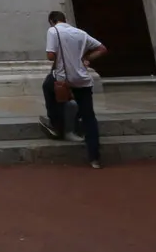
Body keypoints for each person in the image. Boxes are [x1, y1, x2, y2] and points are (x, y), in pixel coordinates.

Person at [39, 11, 107, 169]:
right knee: (89, 116)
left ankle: (56, 126)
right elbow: (102, 48)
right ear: (65, 19)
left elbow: (50, 56)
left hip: (63, 78)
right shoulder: (80, 33)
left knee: (48, 87)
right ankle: (94, 158)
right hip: (82, 78)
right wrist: (87, 59)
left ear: (52, 21)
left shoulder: (53, 30)